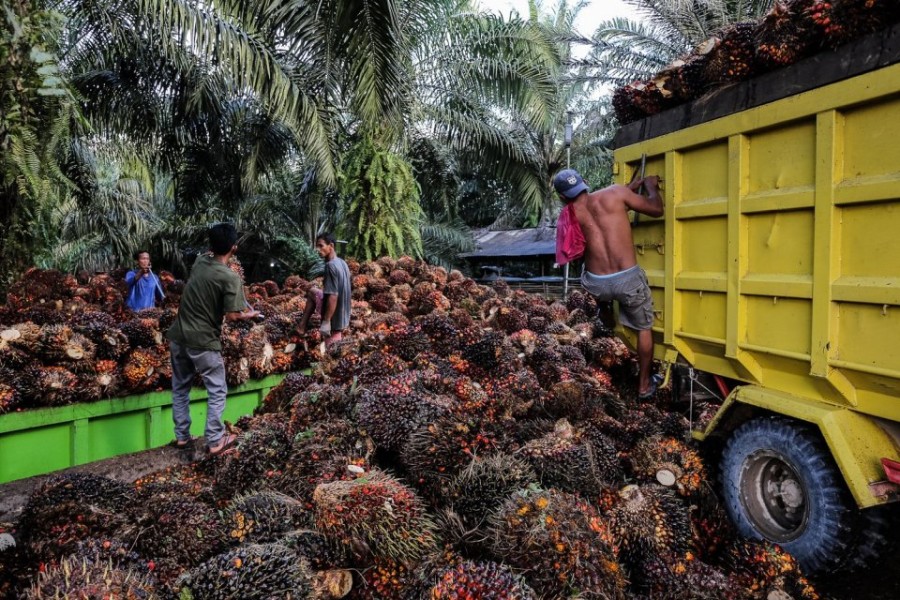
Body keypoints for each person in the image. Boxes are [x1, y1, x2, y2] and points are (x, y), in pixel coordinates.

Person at [553, 168, 664, 399]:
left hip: (596, 283)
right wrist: (651, 187)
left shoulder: (569, 213)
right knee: (644, 328)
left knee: (589, 274)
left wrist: (627, 190)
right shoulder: (616, 194)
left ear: (562, 197)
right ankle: (644, 385)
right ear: (585, 181)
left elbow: (574, 246)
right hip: (627, 279)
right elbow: (656, 210)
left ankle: (604, 306)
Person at [165, 223, 261, 454]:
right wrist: (251, 314)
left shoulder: (200, 262)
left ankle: (182, 437)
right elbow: (233, 315)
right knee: (217, 389)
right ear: (234, 248)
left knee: (180, 387)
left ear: (210, 245)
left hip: (178, 335)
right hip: (203, 340)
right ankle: (216, 441)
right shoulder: (230, 277)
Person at [296, 232, 351, 346]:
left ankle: (302, 327)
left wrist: (326, 322)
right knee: (312, 291)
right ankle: (302, 326)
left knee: (331, 349)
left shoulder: (330, 266)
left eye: (321, 246)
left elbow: (333, 296)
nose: (318, 249)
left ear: (331, 246)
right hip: (345, 314)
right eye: (317, 246)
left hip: (336, 316)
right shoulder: (342, 262)